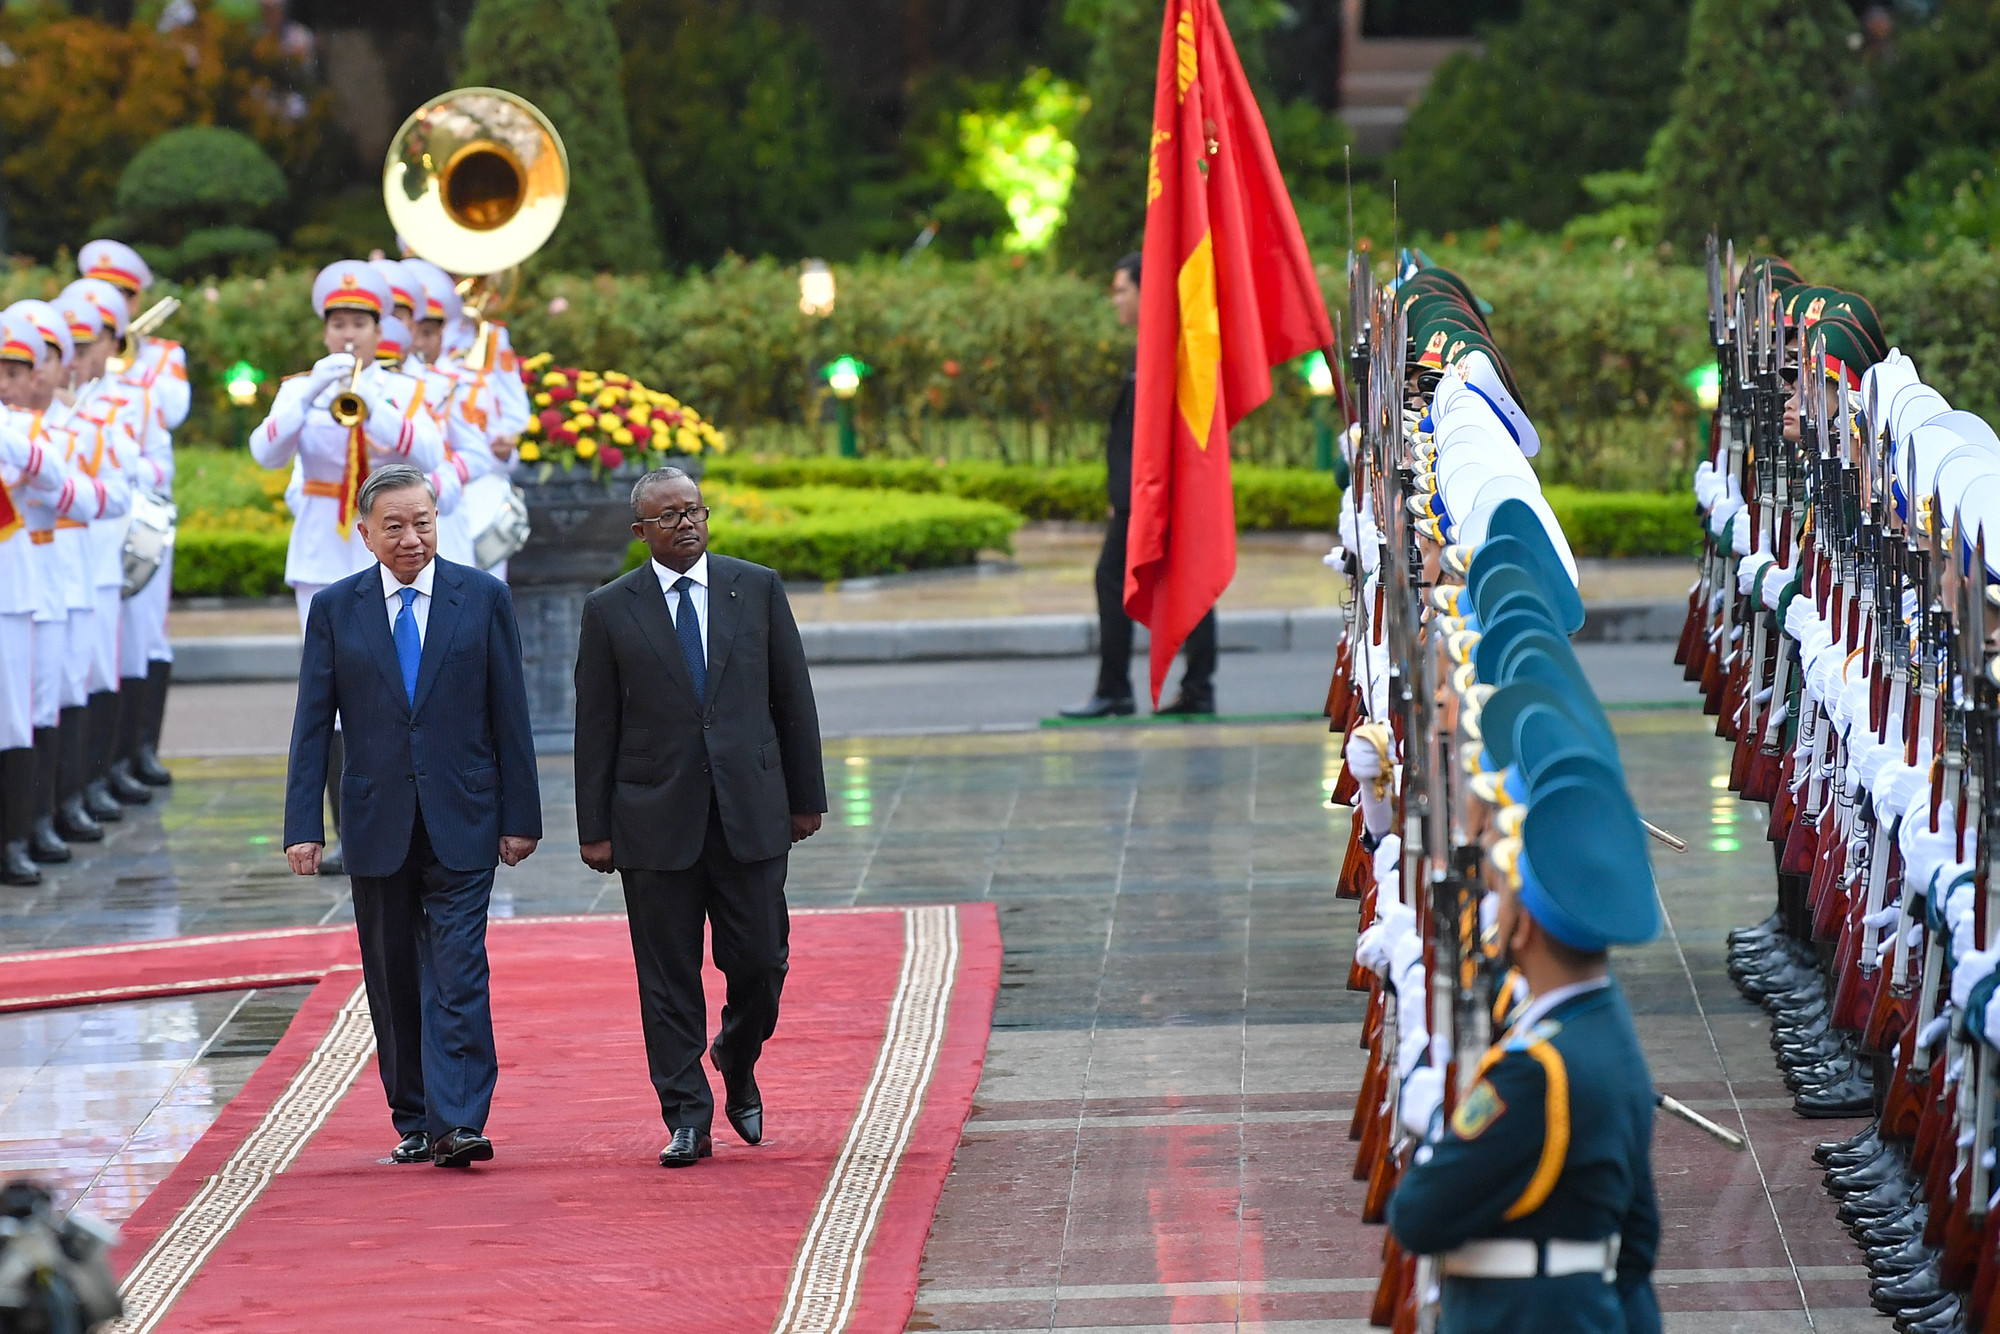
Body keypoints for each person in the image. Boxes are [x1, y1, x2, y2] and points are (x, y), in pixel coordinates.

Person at [282, 463, 541, 1169]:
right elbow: (313, 725)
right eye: (392, 526)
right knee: (393, 976)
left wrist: (523, 815)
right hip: (375, 819)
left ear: (437, 521)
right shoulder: (337, 609)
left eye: (421, 522)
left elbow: (510, 715)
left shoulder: (482, 597)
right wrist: (304, 824)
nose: (410, 538)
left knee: (459, 968)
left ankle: (460, 1121)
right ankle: (417, 1117)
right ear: (364, 534)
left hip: (465, 813)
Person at [573, 467, 826, 1168]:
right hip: (653, 820)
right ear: (640, 532)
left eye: (694, 512)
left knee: (761, 961)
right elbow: (595, 725)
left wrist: (806, 798)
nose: (685, 524)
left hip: (749, 813)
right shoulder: (610, 609)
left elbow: (792, 698)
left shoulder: (758, 588)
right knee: (667, 976)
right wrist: (593, 827)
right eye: (668, 516)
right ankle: (687, 1113)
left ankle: (736, 1053)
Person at [1387, 779, 1662, 1334]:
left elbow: (1417, 1215)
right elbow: (1638, 1236)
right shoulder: (1607, 1029)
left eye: (1508, 893)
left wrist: (1439, 1122)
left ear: (1526, 926)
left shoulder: (1536, 1070)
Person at [253, 260, 445, 874]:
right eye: (337, 323)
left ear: (377, 327)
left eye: (359, 323)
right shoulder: (299, 388)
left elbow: (428, 453)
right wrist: (312, 391)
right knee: (330, 692)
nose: (347, 335)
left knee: (400, 678)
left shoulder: (400, 389)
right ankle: (344, 830)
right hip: (321, 548)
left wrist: (371, 405)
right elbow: (265, 450)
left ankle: (411, 814)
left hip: (390, 548)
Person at [1062, 251, 1217, 719]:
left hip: (1155, 495)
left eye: (1121, 291)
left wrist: (1135, 495)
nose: (1115, 301)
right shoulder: (1152, 347)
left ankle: (1122, 689)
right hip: (1141, 494)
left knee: (1122, 578)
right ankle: (1191, 687)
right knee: (1178, 581)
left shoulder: (1165, 349)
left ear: (1145, 292)